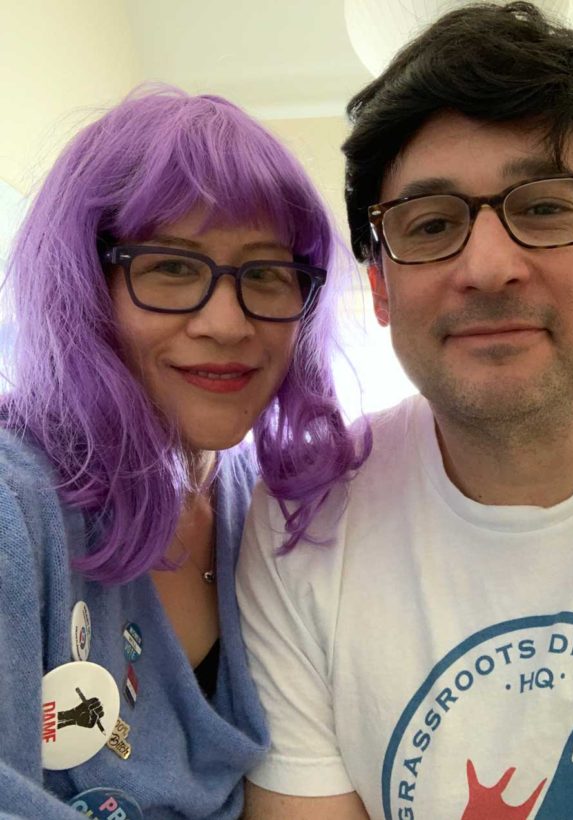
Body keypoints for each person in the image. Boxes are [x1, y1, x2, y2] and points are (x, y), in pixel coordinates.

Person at [237, 3, 573, 818]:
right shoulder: (303, 523)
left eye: (544, 207)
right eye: (431, 224)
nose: (489, 266)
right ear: (382, 291)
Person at [0, 86, 368, 818]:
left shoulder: (259, 503)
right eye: (171, 267)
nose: (227, 323)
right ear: (85, 285)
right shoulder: (18, 505)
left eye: (265, 273)